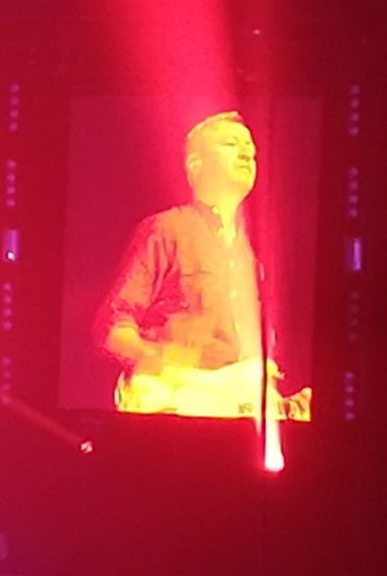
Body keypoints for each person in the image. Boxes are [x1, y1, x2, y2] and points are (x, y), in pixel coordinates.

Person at [97, 111, 309, 420]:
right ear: (195, 164)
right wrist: (158, 360)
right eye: (231, 144)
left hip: (233, 404)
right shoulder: (166, 229)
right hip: (174, 396)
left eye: (250, 147)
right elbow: (113, 329)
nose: (247, 153)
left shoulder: (252, 256)